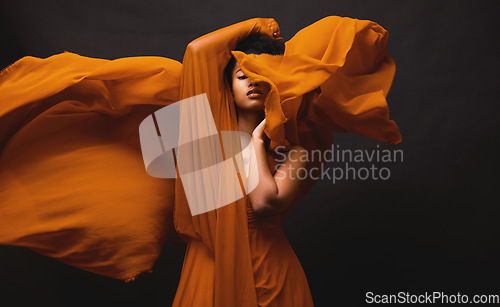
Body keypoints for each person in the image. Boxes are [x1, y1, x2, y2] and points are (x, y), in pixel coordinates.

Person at [0, 17, 401, 306]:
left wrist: (253, 145)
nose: (252, 81)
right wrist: (254, 26)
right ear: (226, 82)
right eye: (241, 74)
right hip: (205, 268)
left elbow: (265, 202)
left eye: (261, 75)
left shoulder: (303, 140)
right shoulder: (202, 126)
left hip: (265, 271)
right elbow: (198, 52)